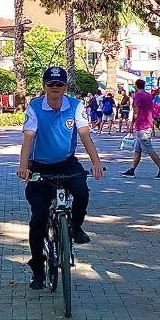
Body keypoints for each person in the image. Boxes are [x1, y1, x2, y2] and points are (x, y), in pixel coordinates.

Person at [17, 66, 106, 289]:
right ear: (44, 86)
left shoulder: (75, 106)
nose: (55, 88)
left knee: (82, 191)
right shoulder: (35, 107)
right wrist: (23, 166)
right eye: (51, 84)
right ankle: (38, 267)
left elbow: (84, 134)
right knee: (38, 219)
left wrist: (96, 163)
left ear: (65, 86)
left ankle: (75, 227)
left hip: (67, 163)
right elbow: (29, 137)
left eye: (59, 84)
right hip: (40, 166)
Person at [123, 78, 160, 179]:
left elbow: (136, 112)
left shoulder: (137, 96)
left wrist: (131, 125)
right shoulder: (148, 95)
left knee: (149, 149)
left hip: (141, 125)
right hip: (147, 123)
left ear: (136, 85)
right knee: (137, 150)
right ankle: (132, 170)